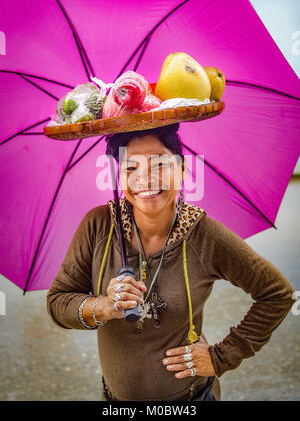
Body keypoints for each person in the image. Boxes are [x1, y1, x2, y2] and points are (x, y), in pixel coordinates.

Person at [46, 123, 296, 402]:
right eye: (130, 168)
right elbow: (58, 301)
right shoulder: (98, 226)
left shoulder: (204, 235)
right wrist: (102, 306)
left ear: (182, 168)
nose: (145, 178)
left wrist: (221, 357)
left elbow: (277, 294)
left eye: (160, 164)